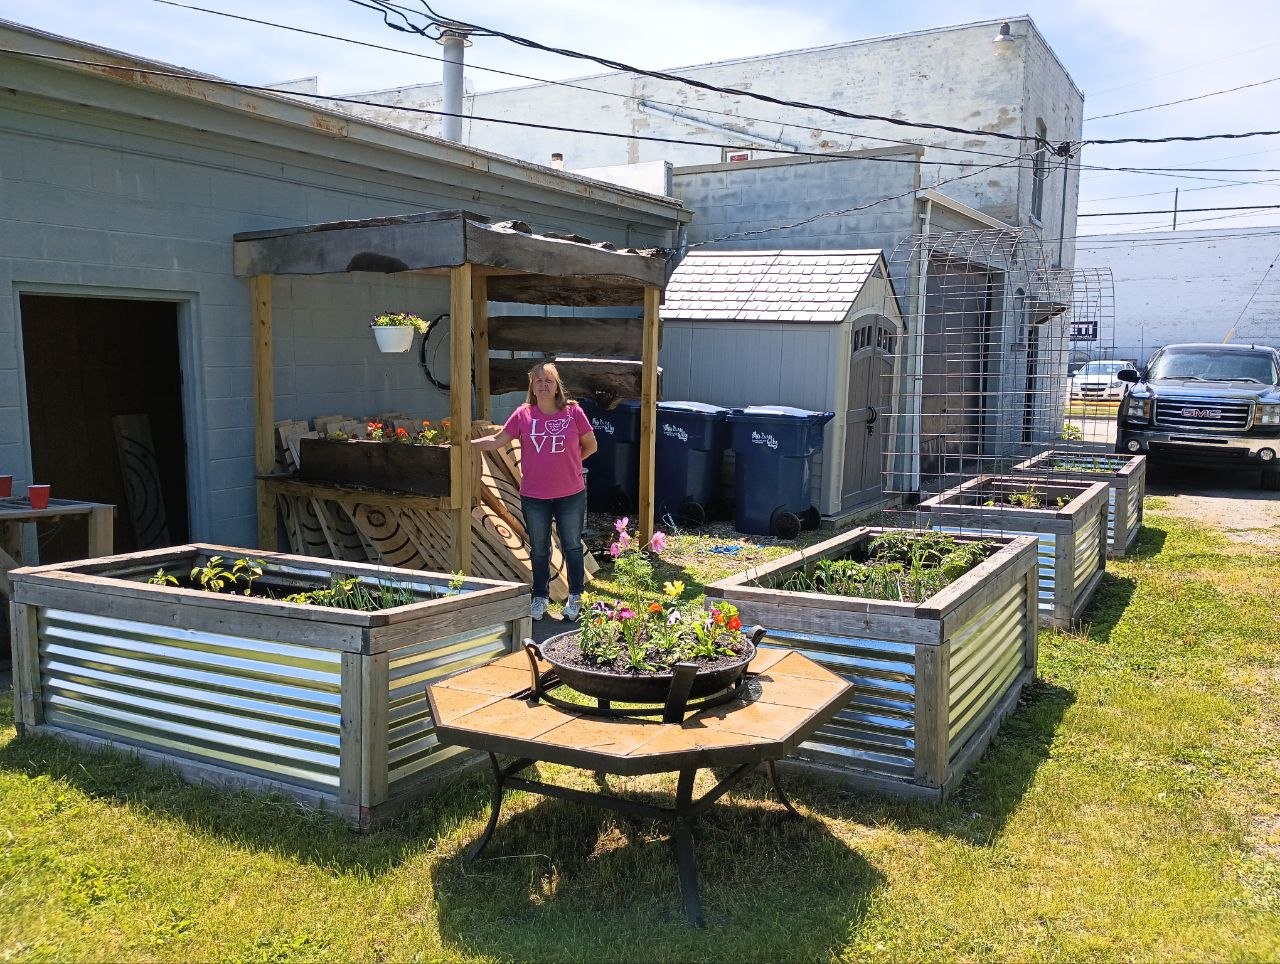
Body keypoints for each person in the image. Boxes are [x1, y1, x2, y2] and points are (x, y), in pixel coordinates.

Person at [472, 361, 597, 621]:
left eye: (548, 380)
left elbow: (591, 446)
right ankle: (539, 597)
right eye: (538, 380)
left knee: (572, 546)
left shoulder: (573, 413)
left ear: (556, 386)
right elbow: (498, 440)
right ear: (532, 386)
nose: (543, 385)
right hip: (534, 496)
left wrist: (570, 466)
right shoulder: (523, 414)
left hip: (570, 494)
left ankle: (575, 596)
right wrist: (466, 443)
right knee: (539, 549)